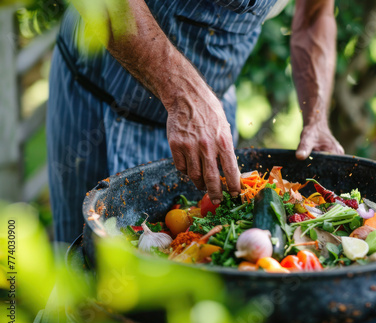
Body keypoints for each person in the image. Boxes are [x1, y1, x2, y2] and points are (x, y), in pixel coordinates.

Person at [47, 0, 344, 243]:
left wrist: (316, 117)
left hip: (211, 113)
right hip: (99, 91)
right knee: (86, 268)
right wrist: (182, 93)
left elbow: (315, 14)